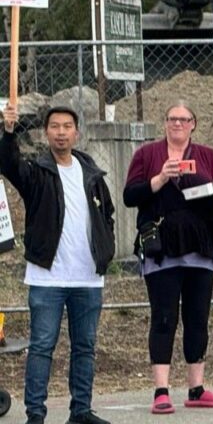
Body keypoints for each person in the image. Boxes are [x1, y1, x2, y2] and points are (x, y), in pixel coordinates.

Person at [1, 105, 114, 424]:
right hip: (47, 277)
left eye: (67, 126)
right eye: (55, 126)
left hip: (88, 277)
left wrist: (107, 246)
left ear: (77, 132)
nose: (61, 132)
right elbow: (9, 164)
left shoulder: (90, 170)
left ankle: (81, 411)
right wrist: (8, 133)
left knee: (85, 346)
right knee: (41, 347)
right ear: (46, 132)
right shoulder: (37, 171)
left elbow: (106, 212)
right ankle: (35, 414)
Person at [124, 102, 213, 414]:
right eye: (172, 119)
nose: (177, 124)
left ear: (193, 124)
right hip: (162, 246)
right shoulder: (146, 155)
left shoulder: (207, 155)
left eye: (184, 119)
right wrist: (158, 180)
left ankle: (196, 388)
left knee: (198, 317)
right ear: (165, 123)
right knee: (163, 316)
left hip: (201, 244)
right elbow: (130, 196)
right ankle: (161, 390)